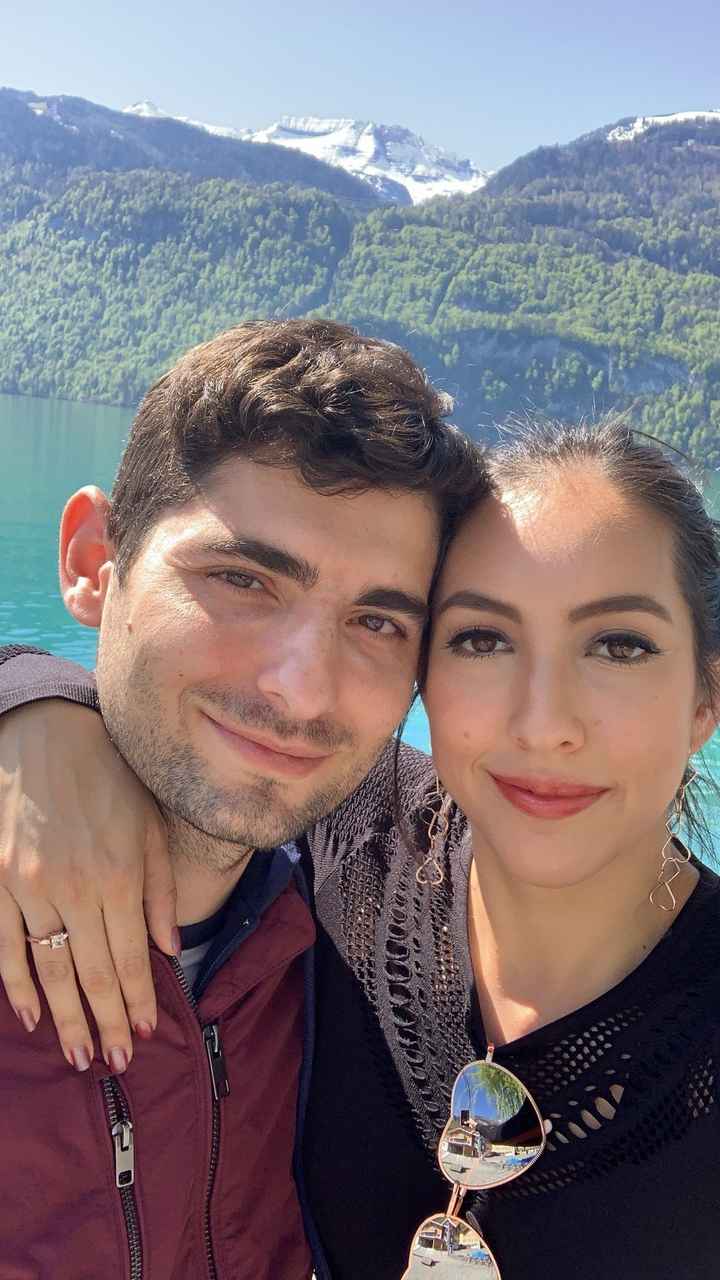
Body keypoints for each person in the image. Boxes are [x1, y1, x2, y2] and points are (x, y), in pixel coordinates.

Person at [1, 418, 719, 1280]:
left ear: (705, 700)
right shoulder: (353, 836)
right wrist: (35, 706)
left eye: (619, 646)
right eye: (482, 638)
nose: (544, 724)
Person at [0, 316, 481, 1279]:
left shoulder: (383, 898)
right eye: (242, 578)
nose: (299, 690)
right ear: (96, 561)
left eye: (378, 621)